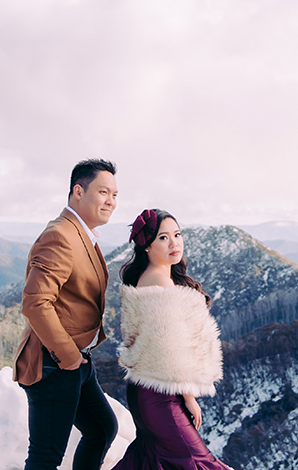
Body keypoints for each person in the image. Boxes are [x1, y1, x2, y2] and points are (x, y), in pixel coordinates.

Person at [14, 159, 121, 470]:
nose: (111, 201)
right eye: (103, 192)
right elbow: (35, 302)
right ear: (78, 191)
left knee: (102, 429)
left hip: (77, 363)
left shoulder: (82, 234)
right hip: (53, 364)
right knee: (45, 458)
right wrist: (68, 357)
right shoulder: (61, 235)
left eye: (115, 194)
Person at [111, 208, 232, 470]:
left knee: (151, 459)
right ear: (146, 246)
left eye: (177, 234)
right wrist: (189, 396)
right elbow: (170, 347)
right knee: (194, 461)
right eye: (163, 238)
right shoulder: (160, 283)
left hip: (148, 388)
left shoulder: (158, 277)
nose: (174, 243)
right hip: (161, 393)